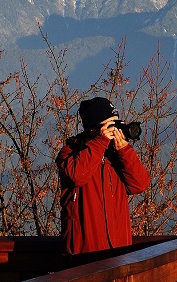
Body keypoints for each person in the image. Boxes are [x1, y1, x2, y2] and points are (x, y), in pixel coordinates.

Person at [56, 97, 150, 257]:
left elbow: (140, 184)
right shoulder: (70, 152)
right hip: (84, 256)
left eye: (117, 124)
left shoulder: (117, 156)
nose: (116, 130)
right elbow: (77, 176)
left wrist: (124, 151)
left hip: (119, 253)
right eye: (110, 126)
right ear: (94, 128)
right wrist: (100, 143)